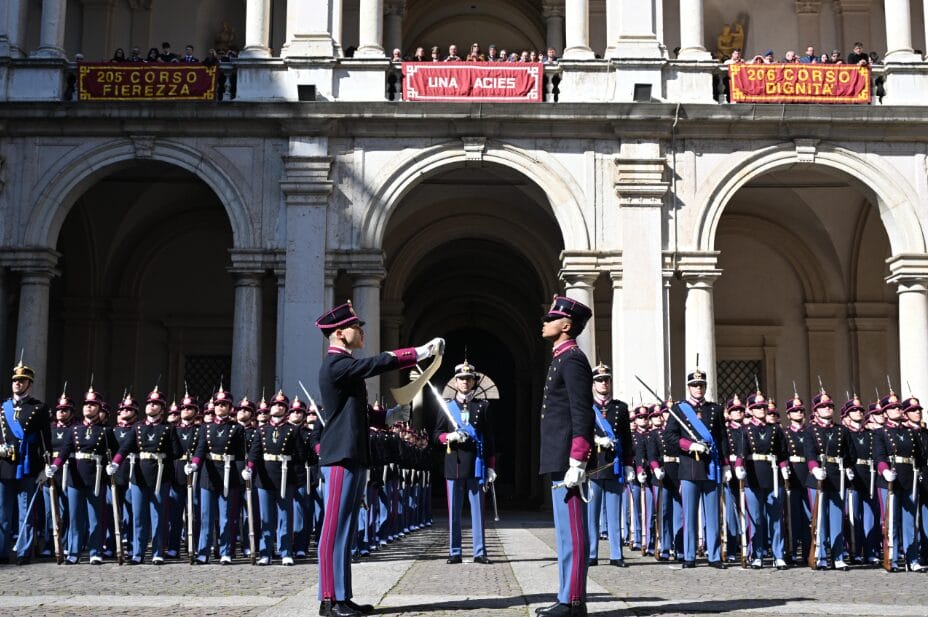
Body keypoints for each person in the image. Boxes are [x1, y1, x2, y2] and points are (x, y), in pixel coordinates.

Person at [315, 300, 441, 617]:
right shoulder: (336, 365)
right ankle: (328, 599)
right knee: (333, 530)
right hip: (340, 456)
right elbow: (376, 364)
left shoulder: (344, 367)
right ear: (340, 333)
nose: (361, 332)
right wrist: (419, 353)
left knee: (346, 530)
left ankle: (342, 596)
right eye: (357, 327)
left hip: (354, 454)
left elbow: (355, 413)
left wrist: (387, 415)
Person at [535, 295, 594, 617]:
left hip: (568, 457)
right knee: (563, 533)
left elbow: (581, 412)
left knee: (573, 531)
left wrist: (578, 459)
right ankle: (565, 595)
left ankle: (573, 601)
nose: (544, 323)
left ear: (566, 325)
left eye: (550, 319)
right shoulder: (560, 358)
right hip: (558, 455)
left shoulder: (572, 359)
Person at [434, 358, 496, 564]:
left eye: (468, 379)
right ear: (456, 381)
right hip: (454, 463)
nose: (465, 382)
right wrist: (448, 437)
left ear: (473, 381)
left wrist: (491, 467)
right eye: (461, 379)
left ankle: (479, 551)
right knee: (454, 511)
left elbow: (490, 439)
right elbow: (436, 435)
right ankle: (455, 551)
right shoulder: (446, 407)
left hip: (477, 463)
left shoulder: (483, 406)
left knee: (478, 511)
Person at [665, 368, 728, 569]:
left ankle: (715, 556)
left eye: (701, 385)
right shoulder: (679, 409)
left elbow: (722, 438)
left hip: (710, 466)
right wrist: (689, 445)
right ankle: (689, 555)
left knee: (712, 514)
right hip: (689, 467)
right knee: (689, 514)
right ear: (689, 387)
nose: (698, 388)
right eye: (694, 385)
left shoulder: (715, 409)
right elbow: (670, 437)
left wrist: (726, 465)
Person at [110, 386, 179, 565]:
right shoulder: (138, 427)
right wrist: (116, 462)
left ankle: (157, 552)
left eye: (156, 404)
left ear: (162, 409)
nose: (151, 406)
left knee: (158, 516)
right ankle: (138, 553)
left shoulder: (168, 428)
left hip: (159, 475)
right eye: (149, 403)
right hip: (139, 474)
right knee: (138, 516)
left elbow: (176, 452)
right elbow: (126, 446)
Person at [46, 387, 113, 564]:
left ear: (99, 409)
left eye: (93, 405)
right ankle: (73, 552)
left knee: (95, 517)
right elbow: (65, 451)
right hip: (75, 477)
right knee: (75, 517)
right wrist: (54, 466)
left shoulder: (105, 431)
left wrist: (113, 465)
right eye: (86, 405)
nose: (88, 408)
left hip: (96, 477)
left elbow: (113, 452)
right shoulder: (74, 430)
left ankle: (95, 551)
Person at [186, 386, 248, 565]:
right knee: (206, 515)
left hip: (229, 474)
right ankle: (203, 552)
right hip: (209, 473)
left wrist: (242, 471)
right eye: (218, 404)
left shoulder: (237, 429)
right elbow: (200, 449)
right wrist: (194, 464)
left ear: (230, 407)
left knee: (226, 516)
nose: (221, 407)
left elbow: (240, 453)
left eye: (224, 404)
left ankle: (226, 551)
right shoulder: (206, 428)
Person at [245, 390, 305, 566]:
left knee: (285, 516)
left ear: (286, 410)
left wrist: (296, 477)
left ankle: (286, 551)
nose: (277, 407)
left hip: (286, 476)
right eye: (275, 405)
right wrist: (249, 468)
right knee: (266, 517)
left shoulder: (292, 430)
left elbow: (300, 455)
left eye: (281, 405)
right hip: (265, 477)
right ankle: (265, 552)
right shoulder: (262, 430)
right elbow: (254, 453)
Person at [0, 361, 50, 565]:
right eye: (15, 381)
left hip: (29, 465)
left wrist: (47, 466)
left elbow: (45, 439)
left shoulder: (39, 407)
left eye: (21, 381)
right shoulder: (3, 408)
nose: (17, 384)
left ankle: (23, 551)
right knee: (2, 512)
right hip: (4, 465)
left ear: (30, 384)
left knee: (26, 513)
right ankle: (1, 550)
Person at [736, 389, 788, 569]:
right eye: (757, 407)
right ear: (750, 409)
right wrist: (738, 467)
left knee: (776, 518)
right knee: (756, 518)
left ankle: (778, 554)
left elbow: (782, 453)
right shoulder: (745, 430)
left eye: (763, 407)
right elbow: (741, 452)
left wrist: (784, 470)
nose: (761, 409)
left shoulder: (775, 429)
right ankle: (756, 554)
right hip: (753, 474)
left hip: (772, 475)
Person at [586, 363, 632, 567]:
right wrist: (595, 440)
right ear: (593, 383)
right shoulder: (587, 407)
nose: (603, 383)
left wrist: (630, 465)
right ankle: (591, 554)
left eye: (606, 380)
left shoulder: (620, 408)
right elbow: (578, 433)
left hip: (614, 466)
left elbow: (627, 438)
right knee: (592, 515)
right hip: (594, 466)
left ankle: (616, 554)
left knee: (615, 513)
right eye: (599, 380)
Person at [874, 391, 925, 572]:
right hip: (890, 480)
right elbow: (878, 455)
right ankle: (893, 558)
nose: (897, 409)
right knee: (891, 521)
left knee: (910, 521)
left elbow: (918, 456)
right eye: (892, 408)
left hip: (909, 478)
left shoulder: (910, 432)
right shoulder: (880, 433)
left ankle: (912, 559)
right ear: (886, 412)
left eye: (898, 407)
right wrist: (884, 470)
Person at [804, 388, 853, 570]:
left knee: (836, 518)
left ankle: (838, 556)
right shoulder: (810, 431)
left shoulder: (842, 431)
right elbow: (809, 453)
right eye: (823, 406)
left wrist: (846, 466)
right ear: (816, 411)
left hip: (837, 476)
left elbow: (850, 453)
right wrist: (814, 468)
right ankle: (820, 556)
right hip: (818, 478)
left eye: (830, 406)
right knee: (820, 519)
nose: (828, 409)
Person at [41, 389, 75, 559]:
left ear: (71, 412)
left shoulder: (75, 429)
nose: (61, 412)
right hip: (50, 471)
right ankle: (49, 542)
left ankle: (66, 542)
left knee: (66, 509)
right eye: (59, 409)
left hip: (67, 471)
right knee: (50, 510)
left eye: (65, 409)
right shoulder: (49, 428)